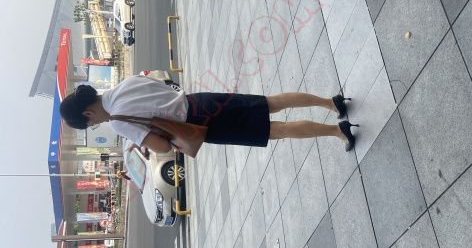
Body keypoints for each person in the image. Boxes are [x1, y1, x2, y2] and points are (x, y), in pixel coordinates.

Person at [60, 76, 358, 152]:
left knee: (275, 130)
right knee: (270, 103)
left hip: (199, 124)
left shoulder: (118, 122)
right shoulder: (125, 84)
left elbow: (162, 147)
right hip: (199, 101)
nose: (96, 123)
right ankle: (331, 103)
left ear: (87, 112)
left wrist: (145, 144)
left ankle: (337, 131)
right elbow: (163, 86)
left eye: (90, 123)